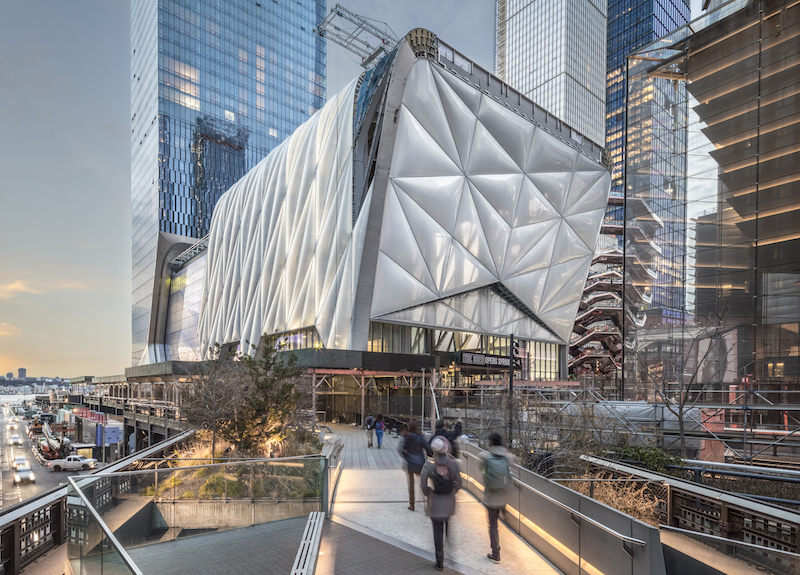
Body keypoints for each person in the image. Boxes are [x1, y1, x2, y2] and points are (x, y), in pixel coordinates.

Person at [421, 436, 462, 571]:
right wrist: (451, 492)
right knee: (447, 524)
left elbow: (423, 483)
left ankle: (440, 561)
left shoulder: (429, 464)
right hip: (449, 502)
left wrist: (428, 492)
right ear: (445, 448)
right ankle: (451, 548)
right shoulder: (453, 463)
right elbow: (458, 483)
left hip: (435, 503)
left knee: (437, 530)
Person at [479, 432, 518, 563]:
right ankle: (505, 514)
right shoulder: (508, 457)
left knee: (493, 525)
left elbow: (481, 469)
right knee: (501, 517)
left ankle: (495, 553)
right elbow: (514, 467)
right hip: (505, 495)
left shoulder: (484, 456)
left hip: (491, 496)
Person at [400, 421, 431, 511]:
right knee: (422, 483)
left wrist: (406, 457)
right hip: (420, 463)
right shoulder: (420, 437)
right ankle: (427, 501)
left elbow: (402, 449)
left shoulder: (406, 437)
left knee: (411, 484)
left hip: (410, 463)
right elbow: (428, 447)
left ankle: (412, 505)